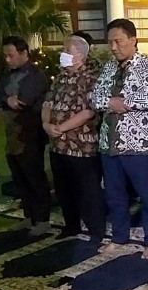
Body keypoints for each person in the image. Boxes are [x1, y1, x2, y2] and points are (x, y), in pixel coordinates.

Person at [89, 19, 148, 258]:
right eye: (110, 42)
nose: (113, 47)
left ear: (133, 40)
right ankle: (119, 236)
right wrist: (112, 102)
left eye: (118, 41)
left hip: (137, 143)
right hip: (109, 143)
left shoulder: (147, 65)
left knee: (146, 193)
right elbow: (94, 97)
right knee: (114, 194)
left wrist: (121, 102)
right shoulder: (109, 68)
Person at [42, 34, 106, 242]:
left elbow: (89, 111)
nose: (63, 54)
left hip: (81, 146)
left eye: (67, 51)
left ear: (80, 55)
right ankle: (71, 226)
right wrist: (46, 124)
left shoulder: (91, 78)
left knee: (89, 192)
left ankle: (96, 231)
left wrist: (61, 127)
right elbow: (48, 103)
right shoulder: (60, 78)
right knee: (64, 189)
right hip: (58, 145)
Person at [0, 36, 51, 233]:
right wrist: (8, 100)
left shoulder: (35, 75)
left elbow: (24, 101)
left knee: (34, 176)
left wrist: (6, 100)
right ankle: (29, 215)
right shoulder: (8, 75)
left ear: (24, 53)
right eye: (6, 56)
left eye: (11, 55)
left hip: (30, 133)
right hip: (12, 135)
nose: (8, 60)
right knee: (19, 177)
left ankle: (42, 219)